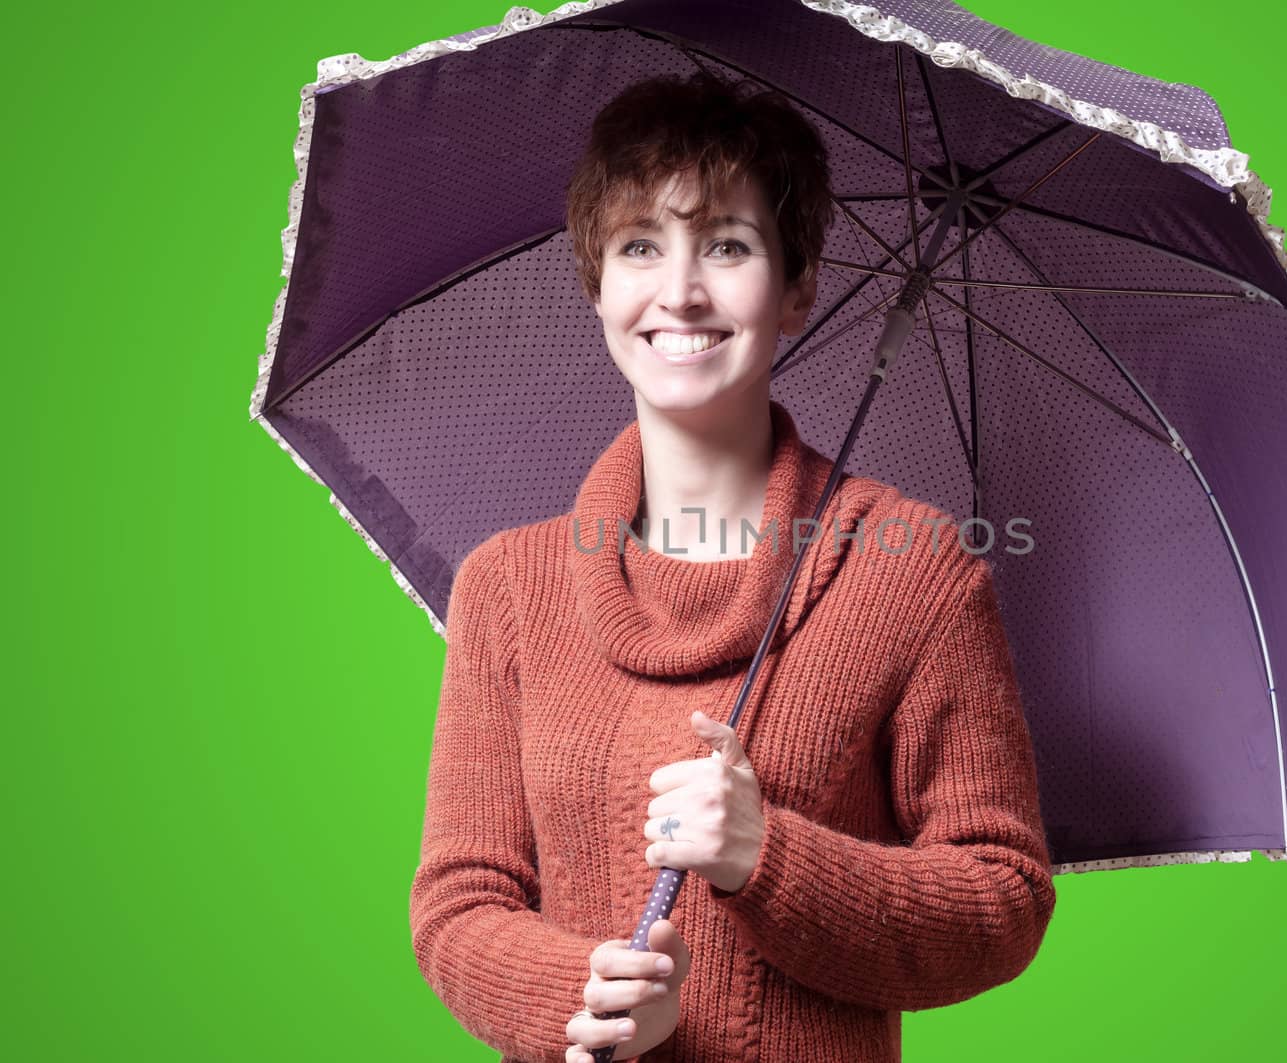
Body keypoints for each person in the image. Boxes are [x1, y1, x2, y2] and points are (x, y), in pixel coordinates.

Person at [409, 70, 1056, 1063]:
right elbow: (459, 903)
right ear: (596, 282)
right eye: (638, 247)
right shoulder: (507, 585)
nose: (679, 292)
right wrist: (583, 994)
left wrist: (771, 855)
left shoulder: (914, 568)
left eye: (727, 245)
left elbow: (1002, 898)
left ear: (795, 288)